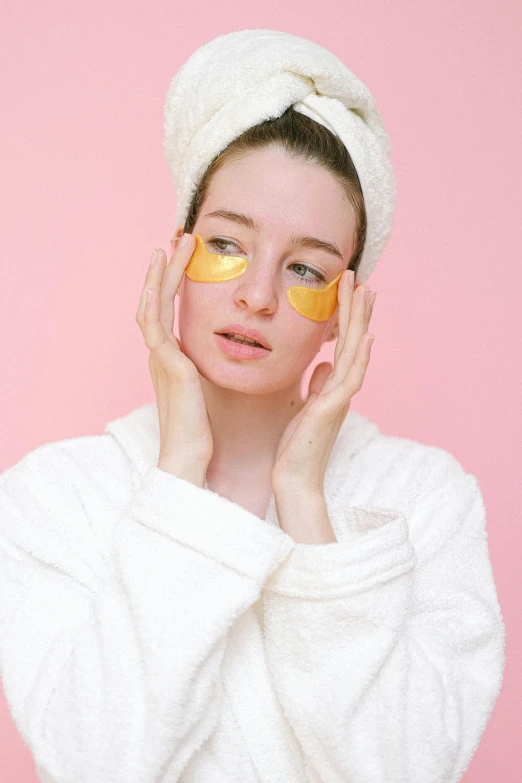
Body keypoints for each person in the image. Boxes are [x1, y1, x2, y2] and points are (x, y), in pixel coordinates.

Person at [0, 29, 505, 783]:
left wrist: (305, 501)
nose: (258, 295)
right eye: (228, 245)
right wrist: (177, 475)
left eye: (305, 267)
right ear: (176, 257)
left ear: (346, 309)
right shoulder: (54, 497)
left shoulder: (425, 503)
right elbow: (93, 766)